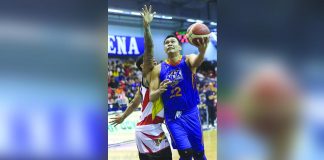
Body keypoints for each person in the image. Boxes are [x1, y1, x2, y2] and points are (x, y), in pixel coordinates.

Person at [109, 5, 172, 160]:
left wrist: (123, 117)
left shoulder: (144, 86)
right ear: (144, 66)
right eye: (150, 60)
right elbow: (149, 47)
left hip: (146, 129)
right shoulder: (148, 73)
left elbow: (133, 104)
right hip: (149, 129)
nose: (154, 60)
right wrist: (147, 26)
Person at [149, 31, 209, 159]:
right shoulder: (158, 69)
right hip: (173, 118)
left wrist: (202, 51)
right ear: (164, 48)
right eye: (166, 43)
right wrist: (159, 90)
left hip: (191, 113)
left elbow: (197, 61)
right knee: (185, 153)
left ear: (179, 47)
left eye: (172, 42)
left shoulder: (188, 59)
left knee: (199, 153)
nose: (169, 44)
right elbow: (151, 97)